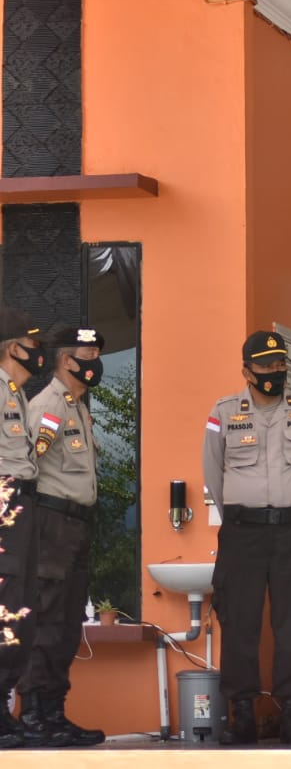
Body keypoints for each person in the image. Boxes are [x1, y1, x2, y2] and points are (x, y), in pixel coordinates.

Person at [204, 331, 291, 745]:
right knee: (239, 622)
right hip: (243, 533)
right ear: (247, 371)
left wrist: (288, 507)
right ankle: (241, 716)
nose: (275, 371)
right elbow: (213, 472)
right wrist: (244, 514)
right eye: (266, 365)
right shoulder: (223, 412)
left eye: (280, 364)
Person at [16, 327, 107, 747]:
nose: (96, 363)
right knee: (47, 619)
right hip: (51, 525)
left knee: (69, 623)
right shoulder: (48, 407)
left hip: (76, 526)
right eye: (89, 356)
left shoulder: (77, 408)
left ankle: (54, 712)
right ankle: (34, 714)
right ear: (68, 361)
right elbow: (25, 468)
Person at [0, 309, 44, 750]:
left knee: (20, 601)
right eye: (33, 345)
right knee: (6, 598)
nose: (39, 353)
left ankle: (4, 708)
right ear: (14, 348)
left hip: (21, 499)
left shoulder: (15, 392)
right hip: (4, 497)